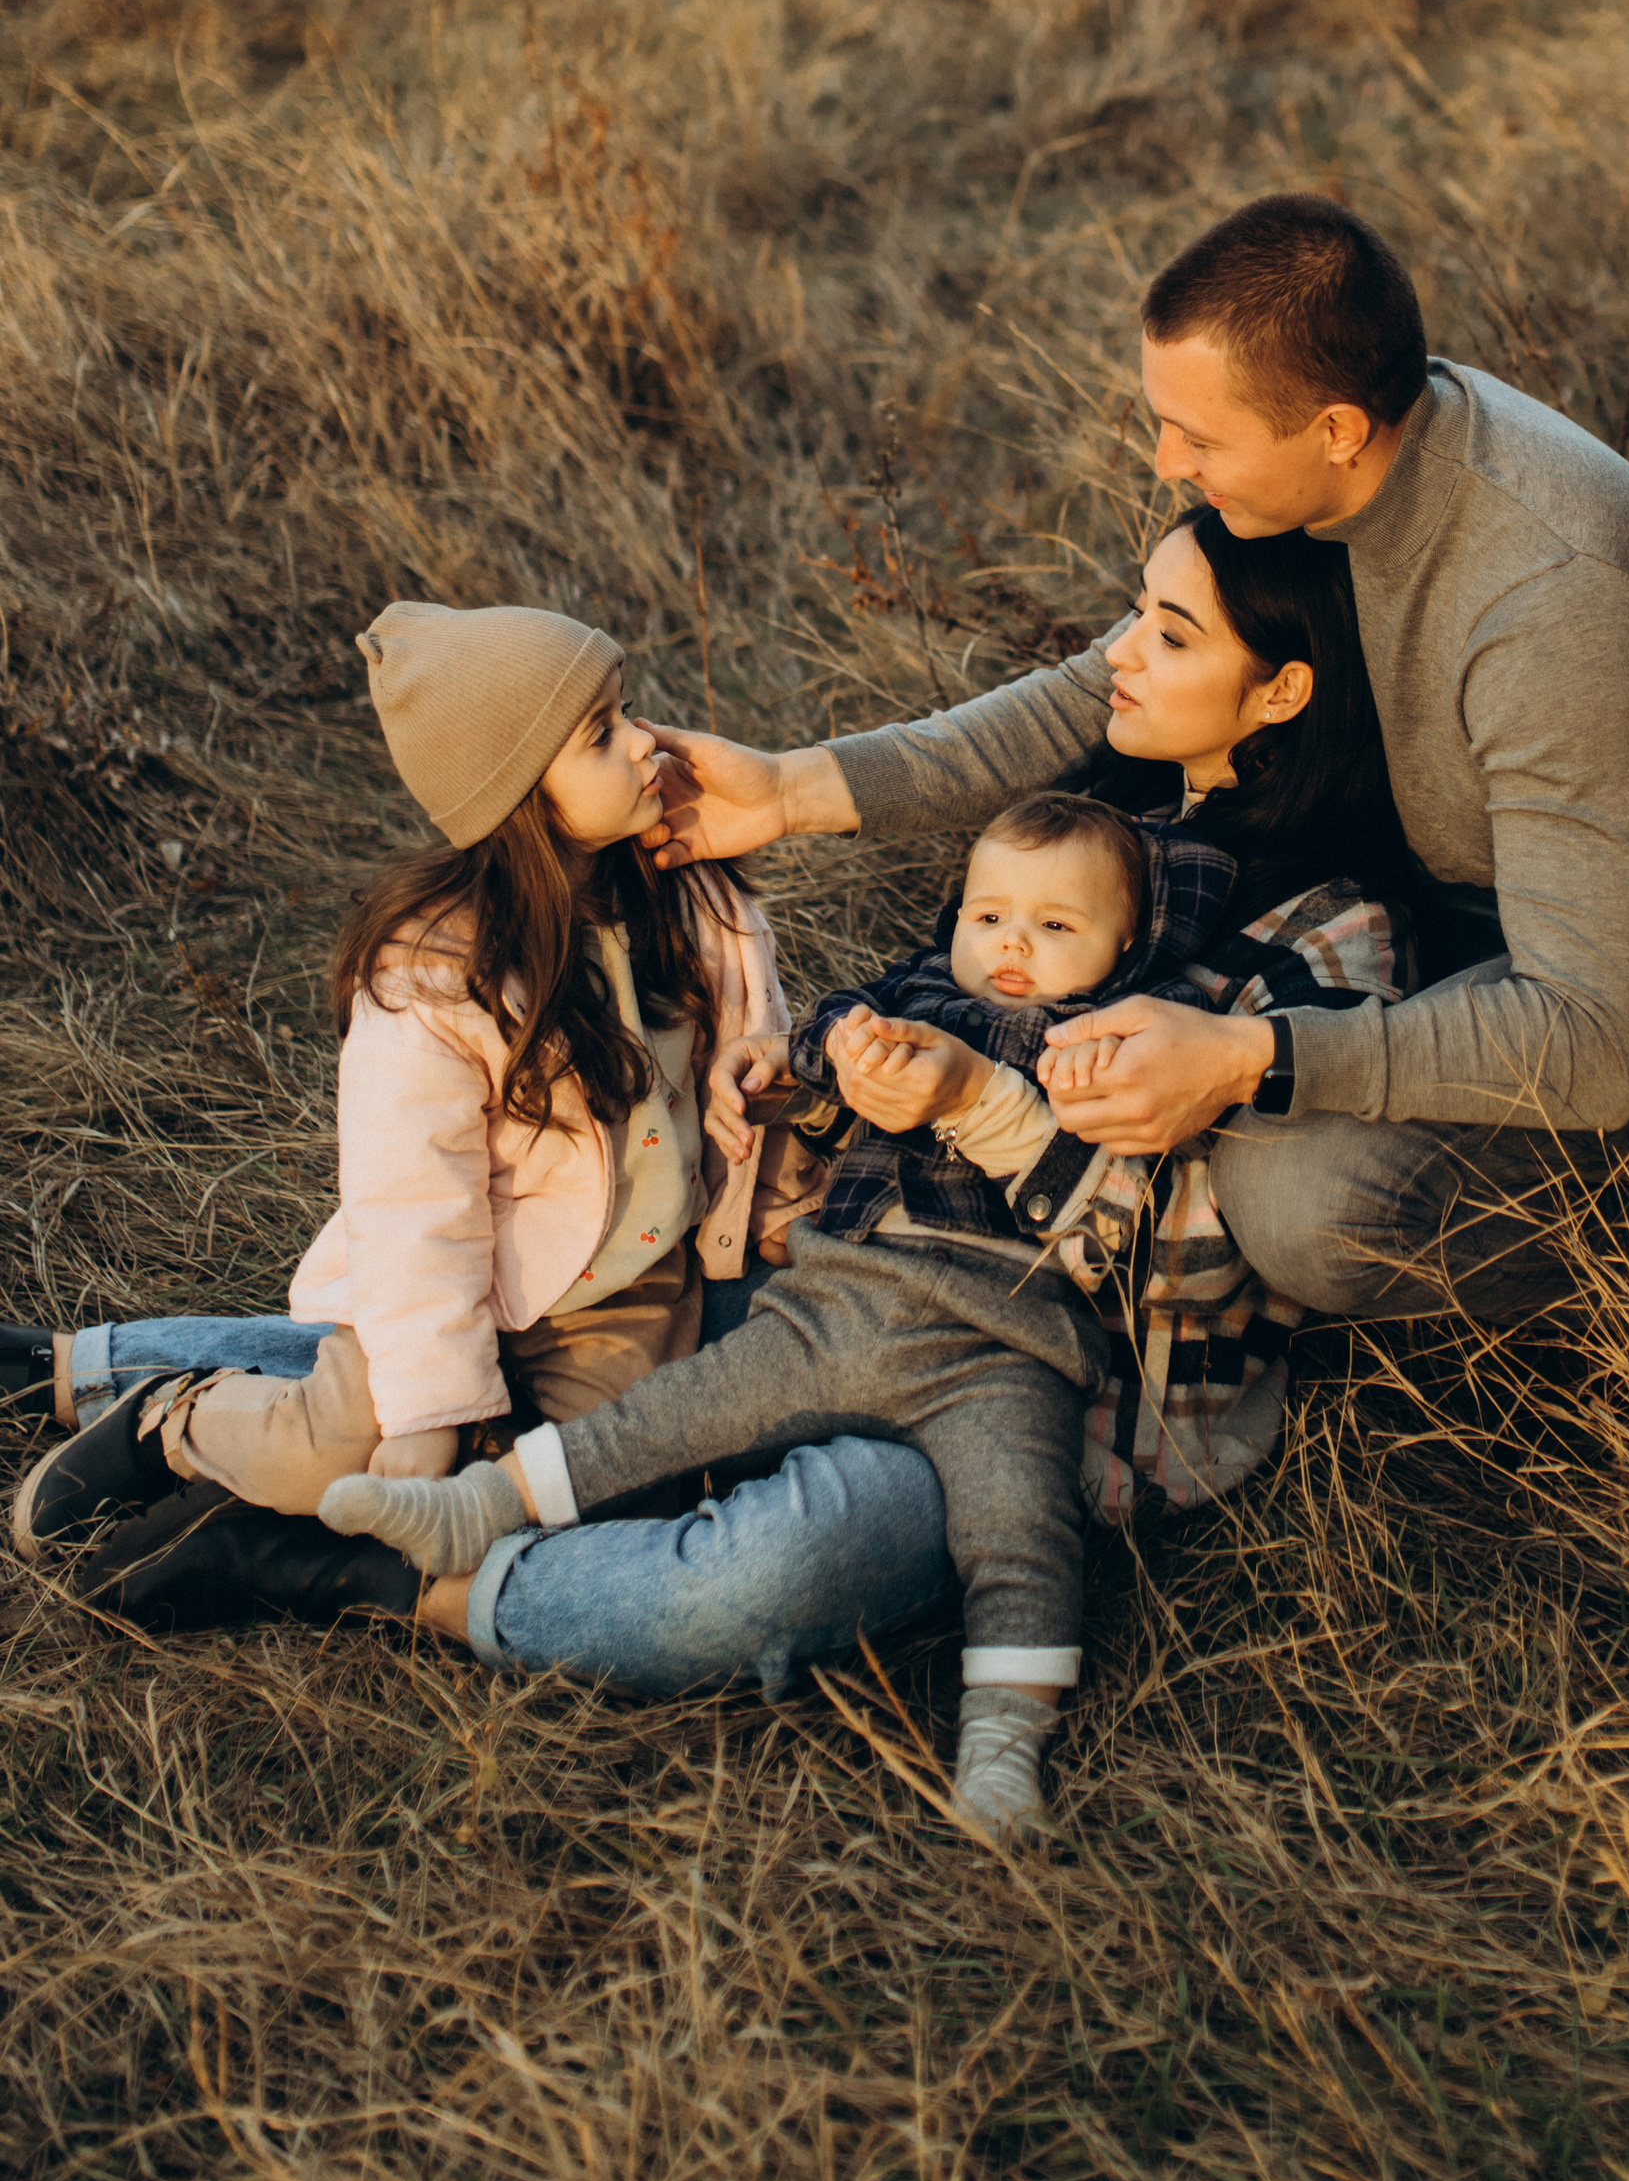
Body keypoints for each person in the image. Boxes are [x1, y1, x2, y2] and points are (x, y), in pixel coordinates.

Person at [10, 515, 1413, 1714]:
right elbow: (904, 1021)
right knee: (496, 1344)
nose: (1113, 650)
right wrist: (824, 1077)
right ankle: (118, 1378)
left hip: (1029, 1381)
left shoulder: (1326, 933)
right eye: (1135, 614)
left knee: (783, 1566)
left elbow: (1204, 1263)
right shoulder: (1077, 825)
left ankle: (366, 1568)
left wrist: (978, 1106)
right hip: (834, 1283)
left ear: (1283, 691)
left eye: (1168, 634)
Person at [652, 193, 1629, 1330]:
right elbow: (1094, 692)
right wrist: (792, 788)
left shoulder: (1542, 602)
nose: (1166, 464)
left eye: (1195, 434)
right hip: (1479, 911)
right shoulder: (1331, 479)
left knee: (1296, 1198)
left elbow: (1586, 1034)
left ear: (1333, 429)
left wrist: (1259, 1059)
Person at [327, 790, 1247, 1845]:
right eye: (987, 916)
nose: (1011, 949)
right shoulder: (911, 1001)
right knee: (672, 1414)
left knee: (1022, 1531)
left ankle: (1001, 1745)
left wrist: (1001, 1099)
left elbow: (1133, 1212)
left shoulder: (1124, 1046)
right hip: (843, 1299)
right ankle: (474, 1509)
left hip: (1007, 1351)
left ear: (1123, 945)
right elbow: (819, 1075)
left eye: (1056, 927)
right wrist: (795, 1078)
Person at [10, 601, 791, 1630]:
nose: (646, 742)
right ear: (518, 795)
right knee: (344, 1447)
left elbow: (759, 1070)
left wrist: (777, 1086)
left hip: (623, 1299)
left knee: (583, 1495)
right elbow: (417, 1211)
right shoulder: (435, 975)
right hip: (453, 1282)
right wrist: (431, 1410)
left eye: (629, 710)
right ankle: (173, 1420)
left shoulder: (700, 907)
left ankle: (249, 1541)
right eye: (601, 735)